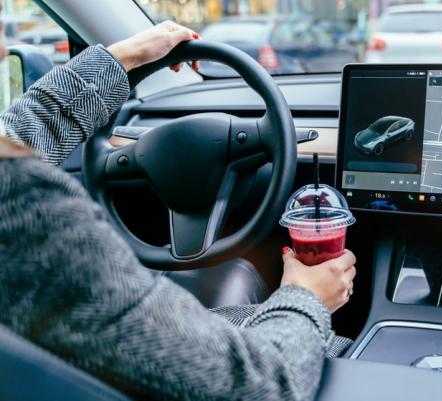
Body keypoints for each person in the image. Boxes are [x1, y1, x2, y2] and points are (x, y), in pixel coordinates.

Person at [0, 20, 357, 401]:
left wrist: (119, 60)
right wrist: (307, 298)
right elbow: (258, 386)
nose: (4, 50)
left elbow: (14, 137)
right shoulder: (25, 208)